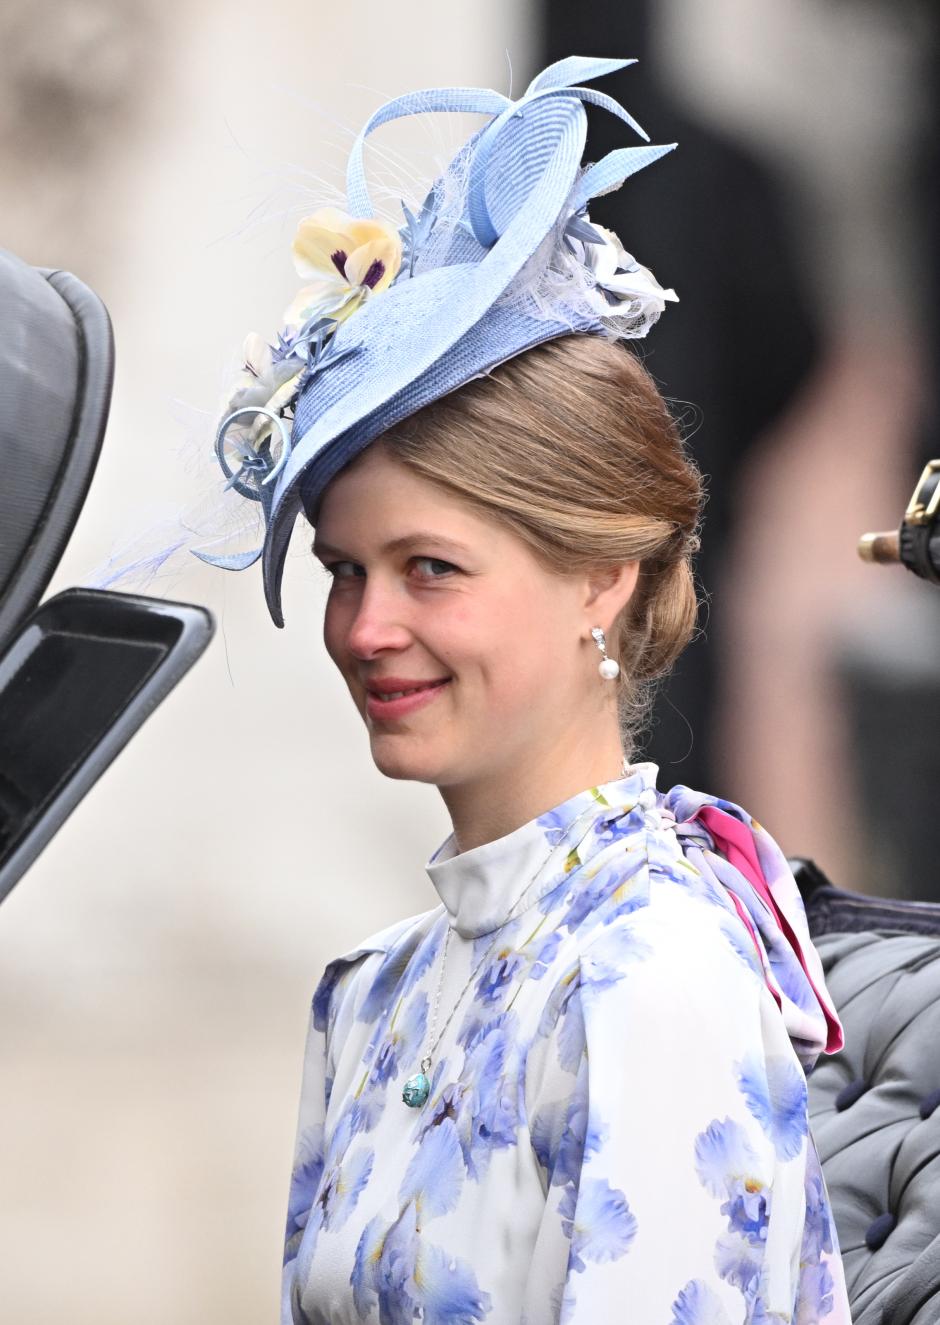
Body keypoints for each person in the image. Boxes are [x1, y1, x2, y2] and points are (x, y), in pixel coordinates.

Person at [198, 56, 852, 1324]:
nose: (366, 626)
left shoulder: (647, 976)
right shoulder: (377, 985)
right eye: (345, 569)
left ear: (601, 578)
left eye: (428, 568)